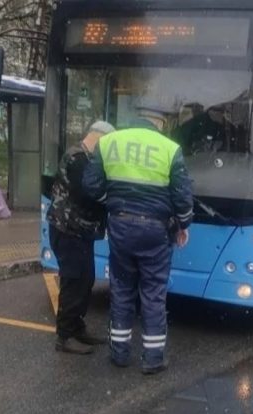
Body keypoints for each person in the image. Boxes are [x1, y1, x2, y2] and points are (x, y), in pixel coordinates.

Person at [82, 102, 194, 375]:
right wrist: (183, 223)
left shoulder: (109, 143)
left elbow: (91, 186)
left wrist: (115, 204)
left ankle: (119, 354)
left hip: (120, 226)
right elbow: (182, 198)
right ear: (160, 122)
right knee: (153, 293)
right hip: (155, 230)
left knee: (121, 289)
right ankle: (153, 358)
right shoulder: (170, 149)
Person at [47, 121, 115, 355]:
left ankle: (77, 328)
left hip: (79, 230)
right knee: (73, 281)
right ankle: (64, 336)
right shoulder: (77, 158)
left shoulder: (87, 159)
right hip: (67, 229)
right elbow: (89, 192)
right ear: (99, 137)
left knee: (85, 280)